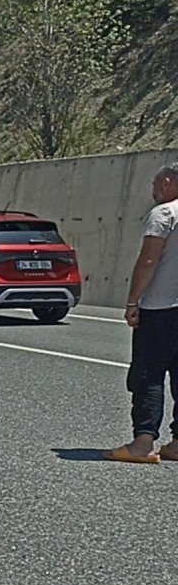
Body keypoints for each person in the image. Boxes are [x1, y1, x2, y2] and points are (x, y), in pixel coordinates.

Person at [104, 163, 178, 464]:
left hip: (161, 306)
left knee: (148, 374)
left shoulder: (165, 214)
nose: (153, 191)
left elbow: (149, 260)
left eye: (155, 184)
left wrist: (133, 301)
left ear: (169, 182)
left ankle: (143, 443)